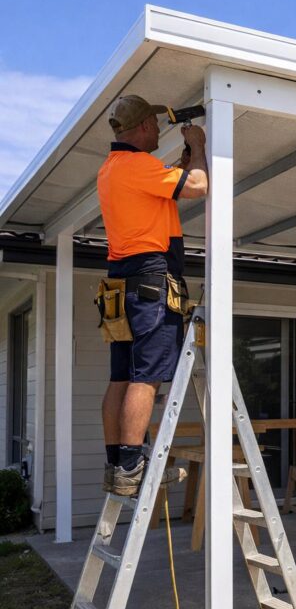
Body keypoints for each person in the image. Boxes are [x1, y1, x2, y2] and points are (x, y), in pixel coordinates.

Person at [96, 95, 208, 496]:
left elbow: (165, 185)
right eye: (154, 126)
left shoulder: (112, 169)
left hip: (120, 283)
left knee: (121, 375)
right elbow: (198, 185)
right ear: (143, 126)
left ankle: (117, 465)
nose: (157, 131)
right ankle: (132, 466)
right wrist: (198, 147)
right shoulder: (138, 165)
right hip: (150, 281)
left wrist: (178, 164)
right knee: (147, 377)